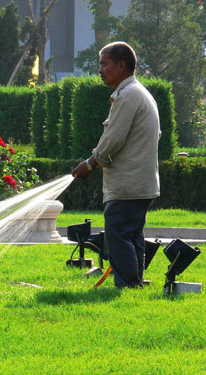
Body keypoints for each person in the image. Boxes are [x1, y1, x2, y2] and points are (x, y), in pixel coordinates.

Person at [71, 41, 161, 288]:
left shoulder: (128, 95)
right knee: (131, 235)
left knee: (118, 235)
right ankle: (134, 284)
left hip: (128, 184)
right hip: (140, 182)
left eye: (103, 64)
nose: (100, 70)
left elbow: (113, 139)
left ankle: (129, 285)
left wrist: (90, 163)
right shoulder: (138, 93)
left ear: (121, 66)